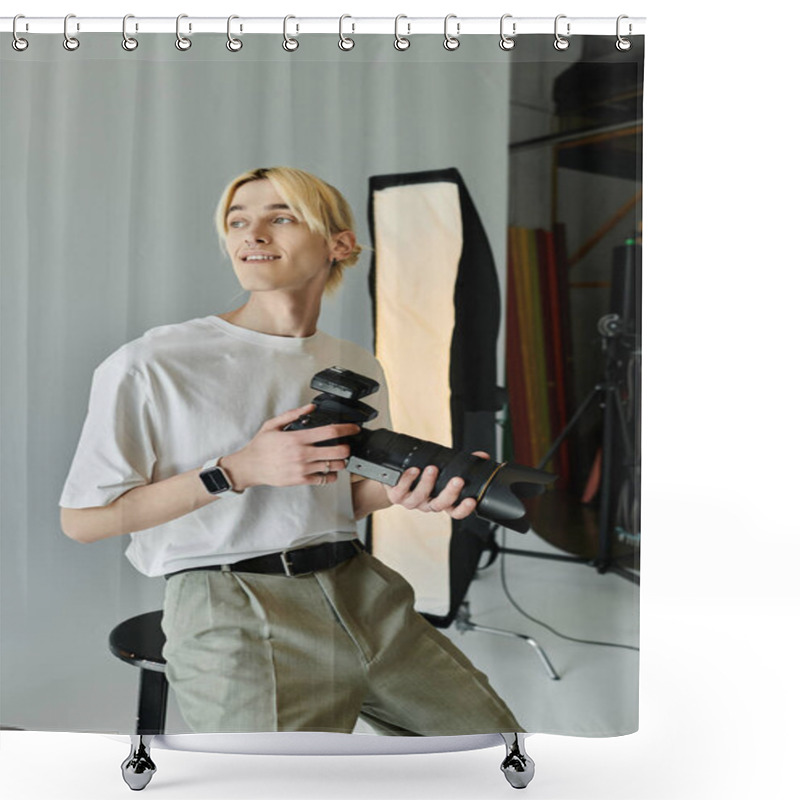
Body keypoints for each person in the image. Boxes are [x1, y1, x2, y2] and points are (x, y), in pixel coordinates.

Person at [60, 166, 522, 735]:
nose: (252, 235)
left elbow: (332, 504)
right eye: (237, 222)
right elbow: (83, 522)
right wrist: (234, 471)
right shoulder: (153, 364)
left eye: (280, 217)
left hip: (364, 592)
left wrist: (404, 492)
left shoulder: (355, 363)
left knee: (498, 754)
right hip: (233, 607)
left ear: (340, 244)